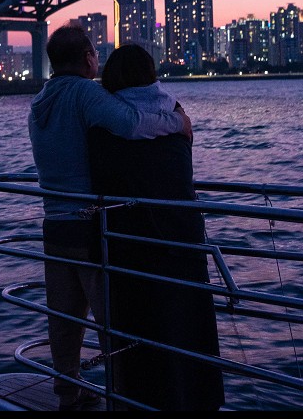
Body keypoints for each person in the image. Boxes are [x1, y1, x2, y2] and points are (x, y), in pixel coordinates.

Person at [28, 24, 191, 411]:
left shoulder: (40, 101)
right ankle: (122, 397)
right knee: (110, 323)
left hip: (54, 226)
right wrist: (178, 123)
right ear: (87, 58)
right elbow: (132, 123)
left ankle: (69, 393)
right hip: (88, 227)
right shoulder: (84, 92)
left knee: (64, 321)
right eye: (94, 55)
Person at [87, 44, 225, 411]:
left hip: (134, 247)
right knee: (191, 335)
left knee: (142, 342)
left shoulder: (106, 127)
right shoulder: (177, 116)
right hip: (185, 241)